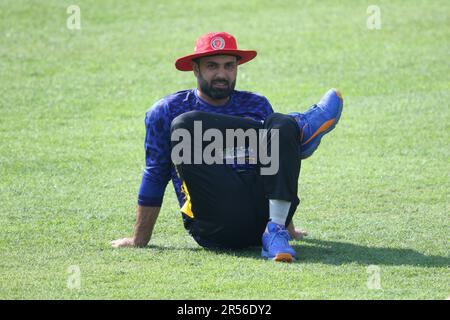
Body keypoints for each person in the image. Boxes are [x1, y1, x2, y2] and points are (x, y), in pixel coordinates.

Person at [111, 32, 343, 262]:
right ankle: (299, 129)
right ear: (195, 69)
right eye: (212, 66)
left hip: (261, 217)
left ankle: (276, 230)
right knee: (187, 125)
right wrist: (138, 239)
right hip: (216, 223)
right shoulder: (167, 111)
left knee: (279, 125)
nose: (222, 74)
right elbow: (155, 174)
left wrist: (287, 225)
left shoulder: (257, 104)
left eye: (229, 66)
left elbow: (276, 167)